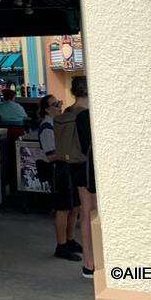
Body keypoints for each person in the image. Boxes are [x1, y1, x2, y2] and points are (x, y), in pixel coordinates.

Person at [36, 94, 82, 262]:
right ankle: (61, 246)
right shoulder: (47, 128)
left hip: (67, 167)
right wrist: (70, 153)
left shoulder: (57, 124)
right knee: (63, 208)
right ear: (47, 109)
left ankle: (70, 241)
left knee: (74, 207)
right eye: (55, 105)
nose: (59, 106)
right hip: (58, 168)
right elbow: (51, 156)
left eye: (60, 103)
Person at [66, 76, 95, 279]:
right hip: (90, 168)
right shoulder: (89, 115)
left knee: (85, 213)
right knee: (92, 214)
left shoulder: (67, 112)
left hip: (75, 166)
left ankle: (88, 263)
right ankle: (95, 261)